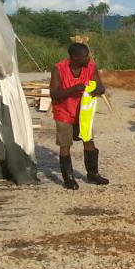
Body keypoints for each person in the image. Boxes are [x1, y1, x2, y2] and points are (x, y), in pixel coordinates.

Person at [49, 42, 109, 189]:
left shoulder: (91, 67)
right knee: (65, 144)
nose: (88, 58)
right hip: (64, 110)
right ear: (74, 58)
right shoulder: (59, 68)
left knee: (88, 140)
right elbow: (54, 94)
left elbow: (101, 87)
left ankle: (93, 174)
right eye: (85, 56)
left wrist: (96, 90)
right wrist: (73, 89)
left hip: (83, 111)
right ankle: (69, 178)